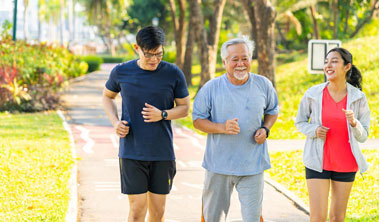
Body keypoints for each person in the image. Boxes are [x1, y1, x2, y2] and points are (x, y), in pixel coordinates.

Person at [102, 26, 190, 222]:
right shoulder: (121, 72)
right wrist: (115, 122)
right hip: (132, 152)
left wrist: (163, 114)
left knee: (158, 213)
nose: (154, 60)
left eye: (159, 54)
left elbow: (184, 108)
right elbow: (107, 97)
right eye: (149, 54)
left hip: (162, 152)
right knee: (136, 212)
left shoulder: (173, 73)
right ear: (137, 48)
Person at [192, 38, 279, 222]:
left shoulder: (263, 85)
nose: (241, 64)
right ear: (224, 62)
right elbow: (198, 120)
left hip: (252, 166)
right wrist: (221, 127)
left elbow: (272, 111)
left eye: (245, 59)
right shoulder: (211, 88)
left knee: (252, 218)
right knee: (212, 218)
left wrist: (265, 129)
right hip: (218, 166)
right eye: (235, 59)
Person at [295, 47, 370, 222]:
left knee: (337, 217)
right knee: (318, 217)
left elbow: (363, 135)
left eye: (334, 61)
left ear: (347, 67)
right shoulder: (313, 94)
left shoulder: (358, 98)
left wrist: (354, 123)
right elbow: (299, 122)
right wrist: (314, 130)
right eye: (326, 62)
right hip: (317, 161)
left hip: (346, 162)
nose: (328, 65)